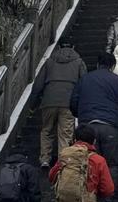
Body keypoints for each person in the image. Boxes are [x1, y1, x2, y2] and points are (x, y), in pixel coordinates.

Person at [70, 52, 118, 202]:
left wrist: (82, 116)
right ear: (113, 66)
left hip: (87, 128)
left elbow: (73, 103)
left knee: (88, 164)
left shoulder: (85, 79)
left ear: (98, 64)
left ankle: (87, 200)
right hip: (110, 127)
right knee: (111, 164)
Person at [32, 40, 87, 168]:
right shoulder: (79, 62)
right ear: (73, 46)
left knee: (47, 130)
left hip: (49, 101)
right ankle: (64, 160)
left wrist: (33, 104)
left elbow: (38, 84)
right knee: (65, 132)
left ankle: (45, 159)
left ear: (58, 47)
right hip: (68, 102)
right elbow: (84, 82)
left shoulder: (49, 62)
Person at [48, 124, 115, 202]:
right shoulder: (98, 160)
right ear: (94, 141)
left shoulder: (65, 156)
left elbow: (51, 176)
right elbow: (108, 189)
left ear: (75, 139)